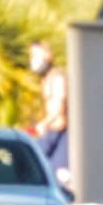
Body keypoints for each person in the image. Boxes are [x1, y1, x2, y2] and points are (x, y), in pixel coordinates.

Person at [29, 40, 69, 181]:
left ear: (48, 56)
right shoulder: (44, 80)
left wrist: (42, 124)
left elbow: (59, 109)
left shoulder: (58, 78)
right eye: (31, 55)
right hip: (48, 133)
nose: (33, 60)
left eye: (36, 55)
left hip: (59, 134)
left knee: (60, 177)